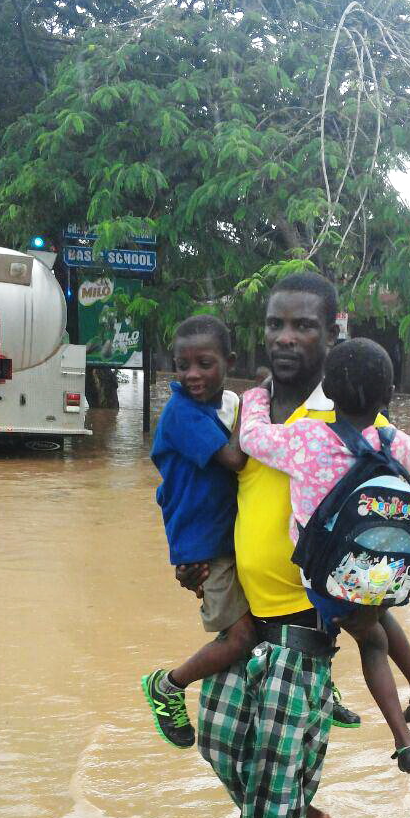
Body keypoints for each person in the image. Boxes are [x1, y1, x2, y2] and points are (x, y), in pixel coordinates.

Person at [184, 273, 410, 818]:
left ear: (334, 333)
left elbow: (389, 507)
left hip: (307, 622)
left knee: (274, 763)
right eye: (276, 325)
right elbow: (217, 484)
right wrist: (196, 557)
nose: (287, 338)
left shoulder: (353, 418)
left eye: (303, 326)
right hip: (246, 615)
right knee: (216, 737)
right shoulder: (249, 409)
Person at [239, 338, 410, 772]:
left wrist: (258, 394)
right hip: (383, 570)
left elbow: (250, 439)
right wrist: (383, 425)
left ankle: (404, 739)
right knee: (378, 617)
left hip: (328, 579)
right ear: (389, 396)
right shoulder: (393, 441)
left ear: (328, 391)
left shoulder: (307, 438)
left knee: (373, 642)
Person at [142, 316, 255, 747]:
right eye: (182, 365)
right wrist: (255, 407)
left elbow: (169, 486)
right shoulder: (183, 413)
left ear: (228, 361)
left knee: (254, 629)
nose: (192, 375)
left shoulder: (212, 407)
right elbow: (236, 461)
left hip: (217, 538)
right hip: (205, 547)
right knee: (241, 636)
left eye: (204, 364)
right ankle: (169, 685)